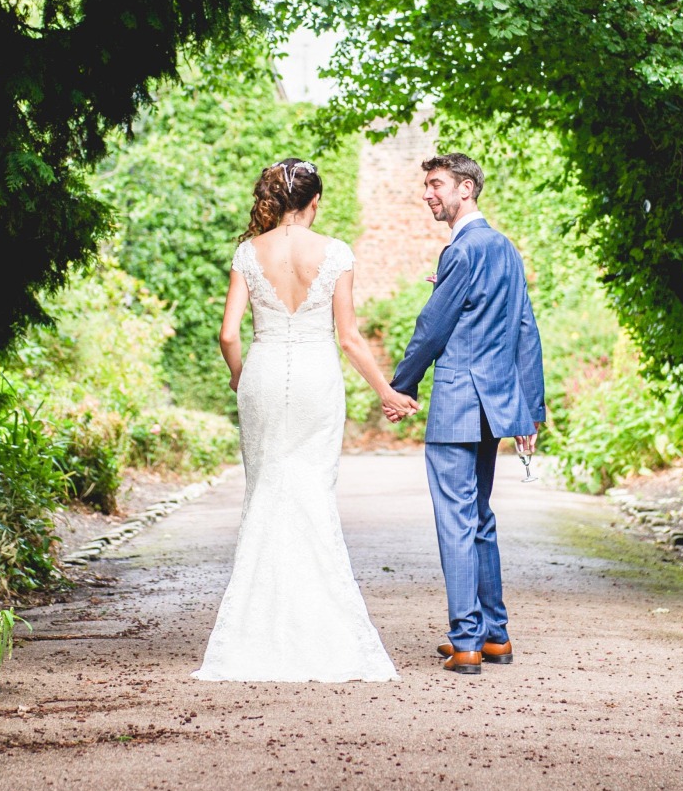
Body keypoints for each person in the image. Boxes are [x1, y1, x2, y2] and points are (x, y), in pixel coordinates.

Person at [194, 158, 405, 682]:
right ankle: (323, 629)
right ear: (314, 203)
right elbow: (350, 338)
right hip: (315, 377)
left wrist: (241, 377)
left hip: (263, 375)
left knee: (266, 490)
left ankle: (253, 632)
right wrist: (387, 393)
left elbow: (227, 335)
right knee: (311, 491)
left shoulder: (249, 251)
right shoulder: (335, 252)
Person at [387, 153, 547, 676]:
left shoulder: (462, 250)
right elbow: (526, 329)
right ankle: (495, 636)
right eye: (428, 185)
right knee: (479, 517)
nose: (429, 194)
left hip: (458, 402)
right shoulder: (505, 249)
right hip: (498, 402)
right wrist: (531, 408)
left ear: (467, 189)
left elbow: (432, 326)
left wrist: (400, 385)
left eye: (437, 185)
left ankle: (466, 643)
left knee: (456, 519)